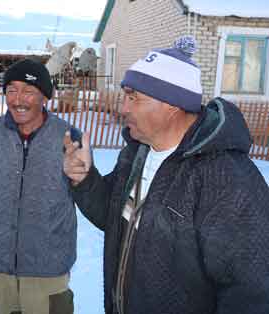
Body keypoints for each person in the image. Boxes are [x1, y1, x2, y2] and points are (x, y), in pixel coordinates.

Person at [63, 36, 269, 314]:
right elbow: (113, 217)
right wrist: (84, 179)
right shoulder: (136, 153)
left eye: (134, 98)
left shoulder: (225, 178)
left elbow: (252, 292)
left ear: (172, 104)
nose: (123, 108)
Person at [0, 59, 81, 314]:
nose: (18, 99)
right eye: (11, 90)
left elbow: (83, 189)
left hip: (47, 266)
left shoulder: (70, 138)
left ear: (45, 97)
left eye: (28, 91)